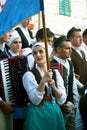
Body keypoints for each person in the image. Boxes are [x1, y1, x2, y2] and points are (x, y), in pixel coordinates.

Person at [22, 42, 66, 130]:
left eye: (41, 51)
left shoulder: (56, 73)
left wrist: (53, 87)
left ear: (47, 53)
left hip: (54, 112)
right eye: (35, 53)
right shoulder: (29, 75)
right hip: (38, 114)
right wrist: (43, 82)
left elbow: (62, 100)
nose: (38, 55)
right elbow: (35, 100)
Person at [50, 36, 79, 130]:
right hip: (58, 107)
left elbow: (73, 84)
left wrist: (75, 103)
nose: (70, 51)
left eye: (71, 48)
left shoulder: (69, 62)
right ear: (58, 49)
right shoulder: (52, 64)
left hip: (70, 105)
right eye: (67, 48)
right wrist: (61, 104)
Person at [0, 31, 14, 130]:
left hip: (7, 103)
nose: (11, 34)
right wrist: (2, 103)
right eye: (8, 30)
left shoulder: (6, 52)